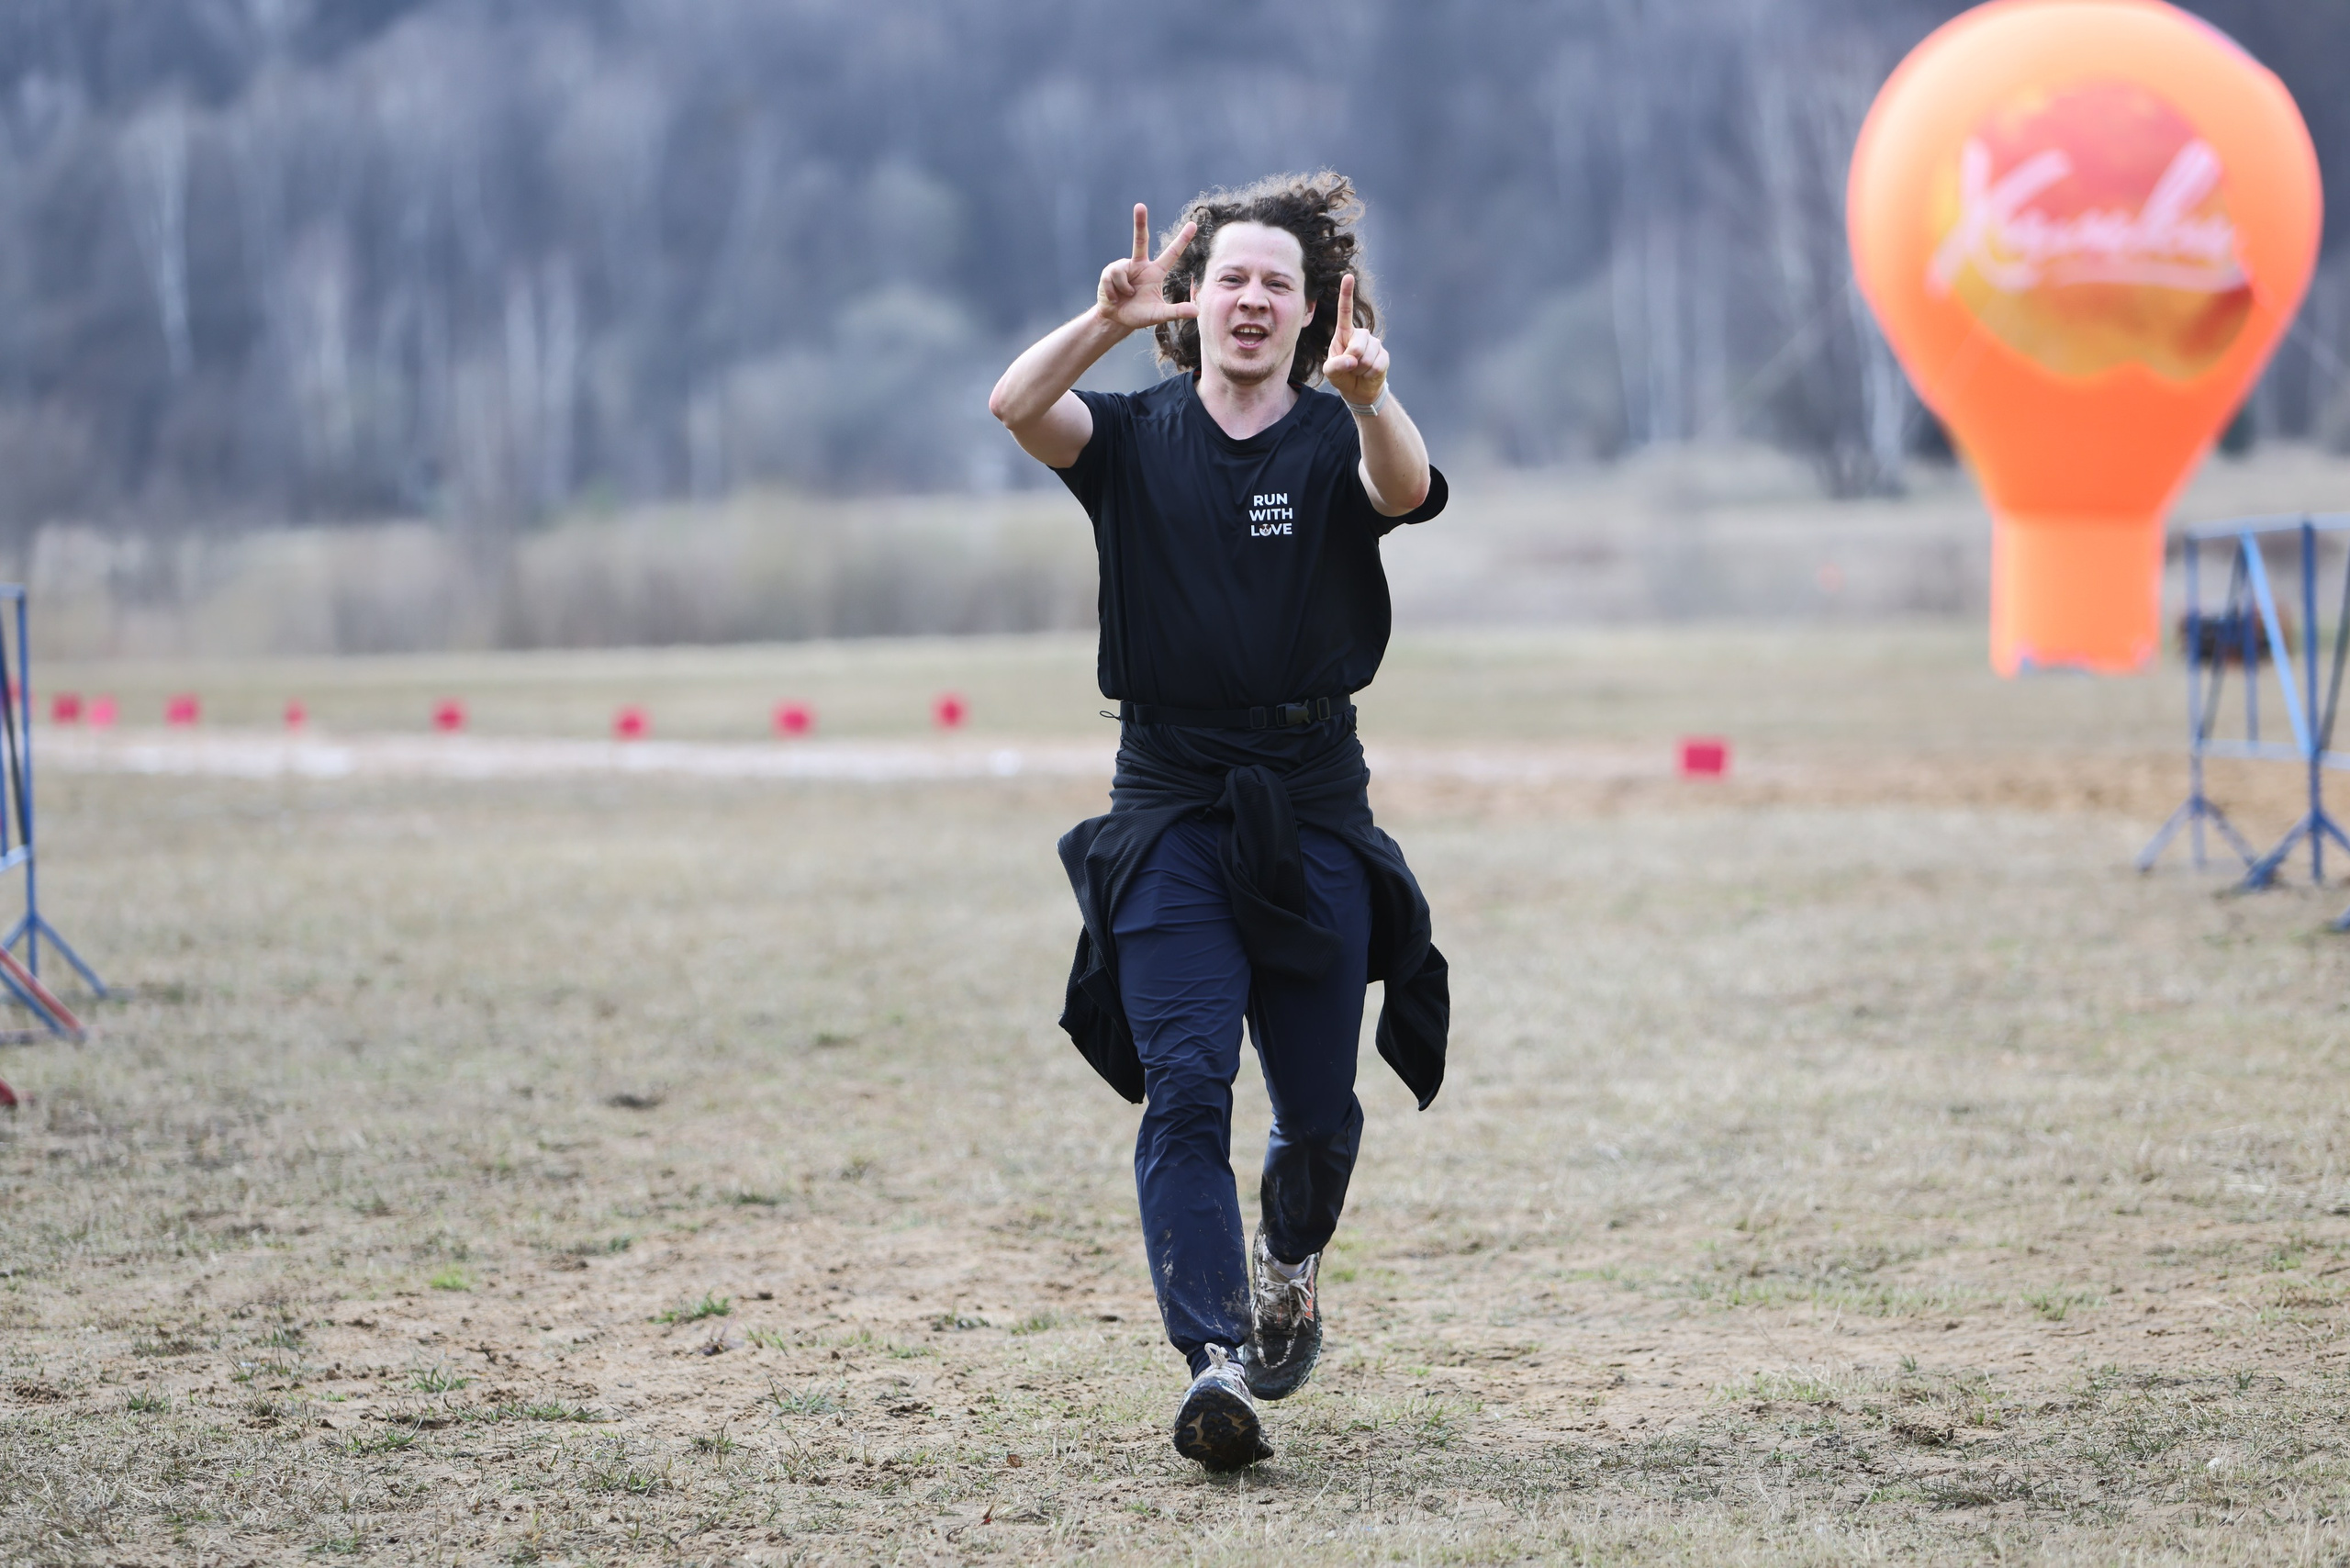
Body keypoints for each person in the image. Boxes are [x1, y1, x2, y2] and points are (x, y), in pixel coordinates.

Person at [987, 172, 1449, 1473]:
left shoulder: (1336, 434)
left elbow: (1403, 491)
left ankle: (1289, 1262)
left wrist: (1372, 397)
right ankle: (1214, 1360)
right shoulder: (1129, 438)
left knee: (1317, 1107)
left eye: (1277, 286)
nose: (1252, 300)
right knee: (1187, 1080)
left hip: (1309, 805)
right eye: (1230, 279)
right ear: (1199, 303)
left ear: (1312, 315)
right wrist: (1107, 323)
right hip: (1171, 803)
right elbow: (1015, 406)